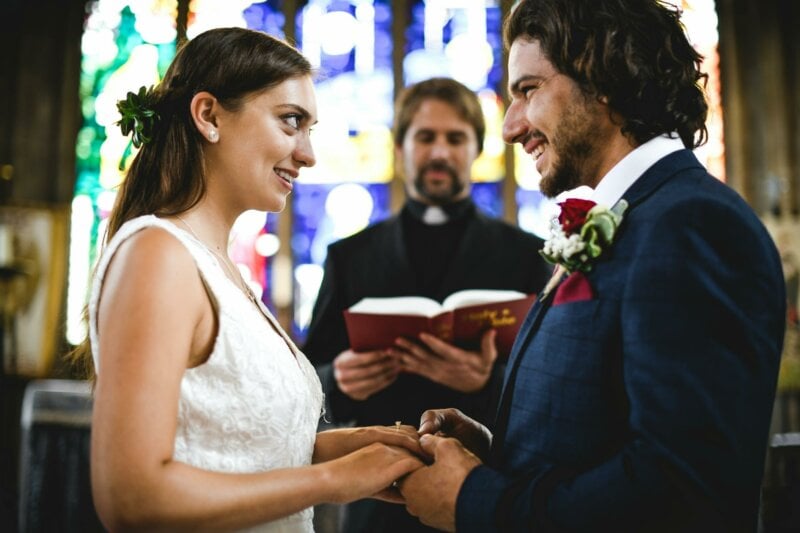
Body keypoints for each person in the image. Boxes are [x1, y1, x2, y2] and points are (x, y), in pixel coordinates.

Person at [398, 1, 787, 531]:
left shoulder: (691, 225)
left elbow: (683, 490)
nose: (511, 128)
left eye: (528, 90)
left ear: (604, 77)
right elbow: (608, 432)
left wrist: (475, 500)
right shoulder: (638, 217)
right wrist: (492, 452)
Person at [79, 27, 424, 532]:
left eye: (310, 129)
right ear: (209, 116)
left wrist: (344, 449)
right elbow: (131, 499)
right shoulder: (158, 254)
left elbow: (232, 447)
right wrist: (332, 481)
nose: (307, 154)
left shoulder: (221, 268)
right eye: (290, 122)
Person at [303, 77, 551, 532]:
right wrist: (339, 382)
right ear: (400, 148)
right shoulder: (350, 256)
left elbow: (552, 388)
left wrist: (488, 381)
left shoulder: (528, 256)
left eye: (455, 138)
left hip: (486, 493)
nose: (439, 153)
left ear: (476, 149)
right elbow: (303, 377)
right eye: (425, 137)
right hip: (378, 501)